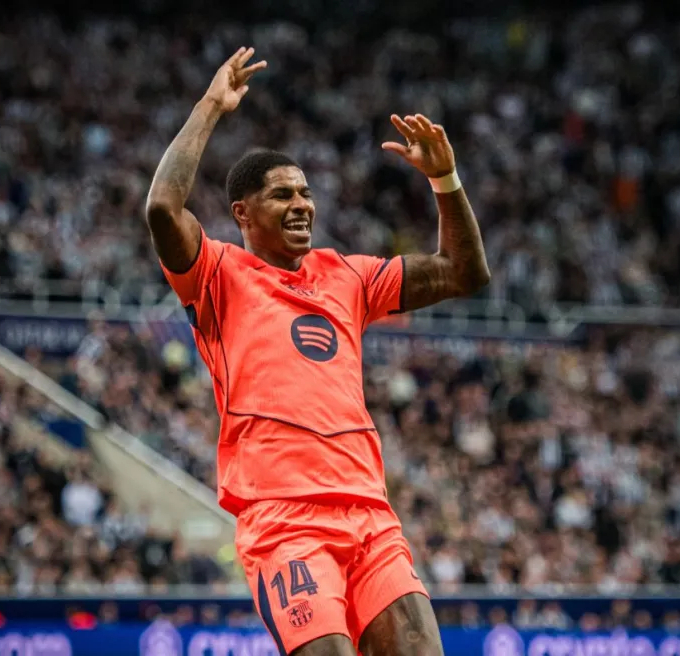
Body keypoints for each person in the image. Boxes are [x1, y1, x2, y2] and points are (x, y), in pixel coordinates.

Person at [145, 48, 489, 656]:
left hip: (369, 515)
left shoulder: (346, 276)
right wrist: (209, 107)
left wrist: (445, 180)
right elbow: (162, 209)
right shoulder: (220, 275)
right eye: (282, 195)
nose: (302, 204)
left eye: (305, 192)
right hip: (284, 524)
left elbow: (465, 273)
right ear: (242, 214)